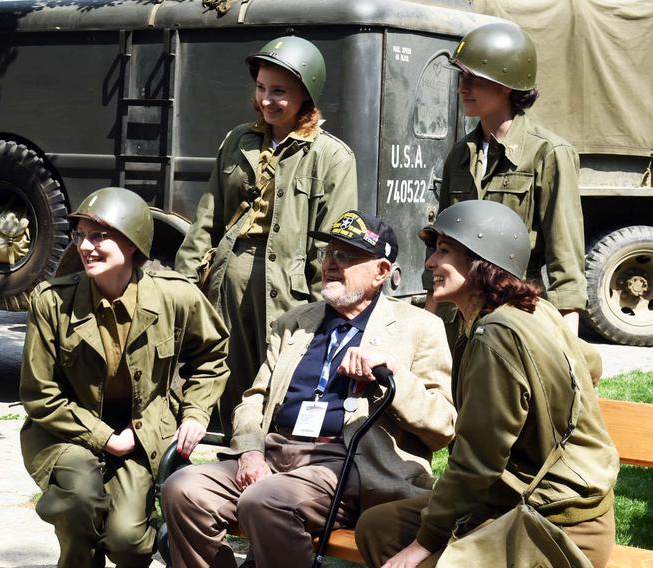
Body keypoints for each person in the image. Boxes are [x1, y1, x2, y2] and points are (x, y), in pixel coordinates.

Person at [162, 210, 455, 568]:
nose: (331, 264)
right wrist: (251, 451)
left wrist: (392, 376)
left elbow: (442, 426)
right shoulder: (295, 322)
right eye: (328, 253)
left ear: (380, 271)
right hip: (276, 453)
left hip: (347, 464)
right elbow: (255, 399)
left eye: (346, 256)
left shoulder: (418, 328)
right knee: (183, 489)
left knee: (266, 500)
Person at [356, 200, 619, 568]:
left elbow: (478, 463)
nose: (430, 262)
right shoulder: (534, 309)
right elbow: (591, 363)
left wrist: (421, 545)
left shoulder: (497, 334)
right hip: (514, 499)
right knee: (377, 527)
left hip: (557, 523)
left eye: (444, 251)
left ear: (481, 261)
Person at [19, 187, 229, 568]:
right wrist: (104, 438)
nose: (86, 247)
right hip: (66, 430)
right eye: (81, 236)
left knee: (127, 541)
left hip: (143, 431)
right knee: (79, 498)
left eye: (100, 236)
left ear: (132, 243)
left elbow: (213, 355)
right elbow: (40, 395)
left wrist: (196, 413)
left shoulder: (175, 297)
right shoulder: (52, 301)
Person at [175, 35, 358, 434]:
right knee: (223, 373)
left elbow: (333, 246)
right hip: (229, 276)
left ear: (306, 95)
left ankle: (270, 466)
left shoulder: (332, 157)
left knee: (278, 380)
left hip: (287, 287)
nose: (266, 100)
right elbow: (207, 218)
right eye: (260, 88)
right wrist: (185, 288)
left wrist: (326, 311)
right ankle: (226, 460)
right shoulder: (238, 140)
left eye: (279, 91)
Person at [428, 22, 586, 335]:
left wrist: (570, 347)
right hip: (458, 317)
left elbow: (565, 258)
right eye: (462, 78)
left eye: (475, 80)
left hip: (514, 316)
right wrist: (429, 319)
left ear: (507, 85)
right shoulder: (459, 156)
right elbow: (439, 245)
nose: (462, 88)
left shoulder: (548, 153)